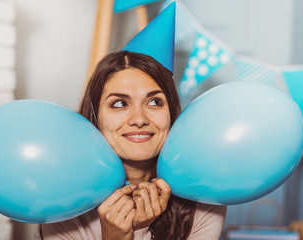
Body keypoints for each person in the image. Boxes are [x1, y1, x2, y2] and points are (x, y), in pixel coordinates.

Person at [40, 51, 226, 240]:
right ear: (96, 117)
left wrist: (137, 230)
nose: (139, 119)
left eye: (154, 102)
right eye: (120, 103)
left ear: (171, 114)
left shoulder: (202, 198)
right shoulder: (62, 201)